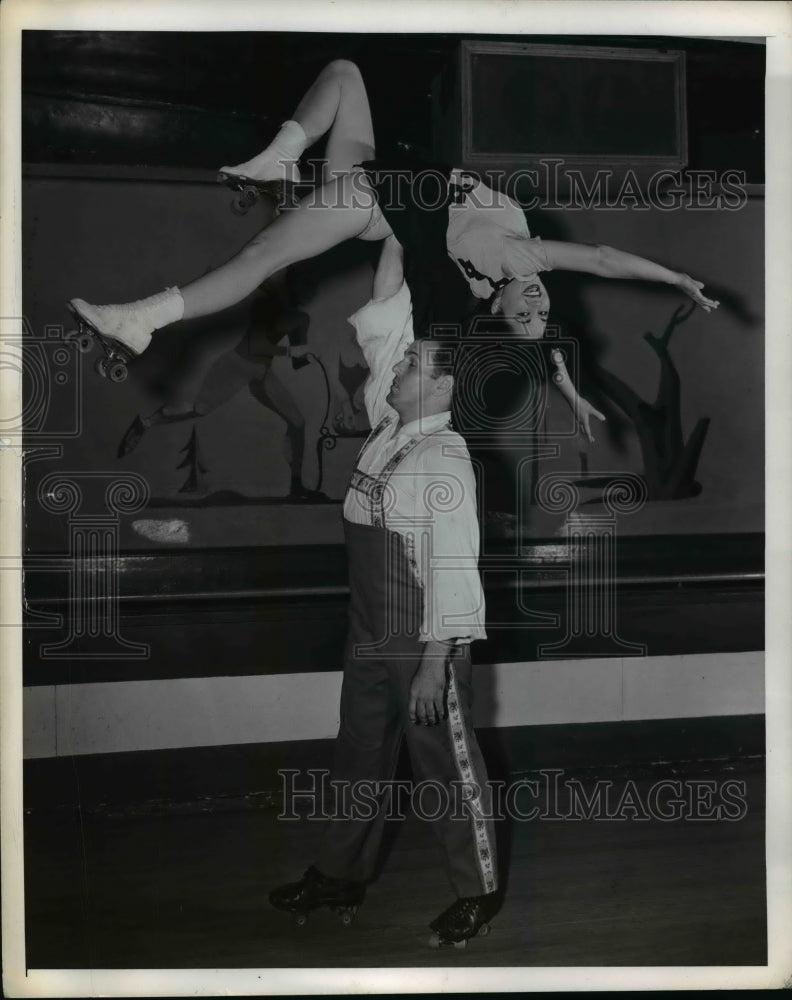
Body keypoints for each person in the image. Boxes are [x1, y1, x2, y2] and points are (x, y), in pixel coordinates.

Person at [68, 60, 719, 365]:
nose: (534, 302)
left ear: (498, 305)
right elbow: (537, 331)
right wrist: (564, 376)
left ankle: (145, 318)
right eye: (541, 307)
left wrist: (673, 279)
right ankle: (282, 154)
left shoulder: (514, 260)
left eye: (524, 312)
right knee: (345, 76)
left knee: (262, 256)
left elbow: (602, 260)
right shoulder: (499, 270)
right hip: (385, 192)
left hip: (387, 197)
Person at [269, 233, 500, 947]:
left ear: (443, 384)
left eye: (412, 363)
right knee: (360, 750)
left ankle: (478, 890)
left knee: (444, 763)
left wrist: (435, 663)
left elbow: (456, 571)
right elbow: (383, 310)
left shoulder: (446, 461)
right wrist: (394, 229)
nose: (396, 365)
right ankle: (342, 871)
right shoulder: (388, 430)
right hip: (369, 628)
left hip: (423, 638)